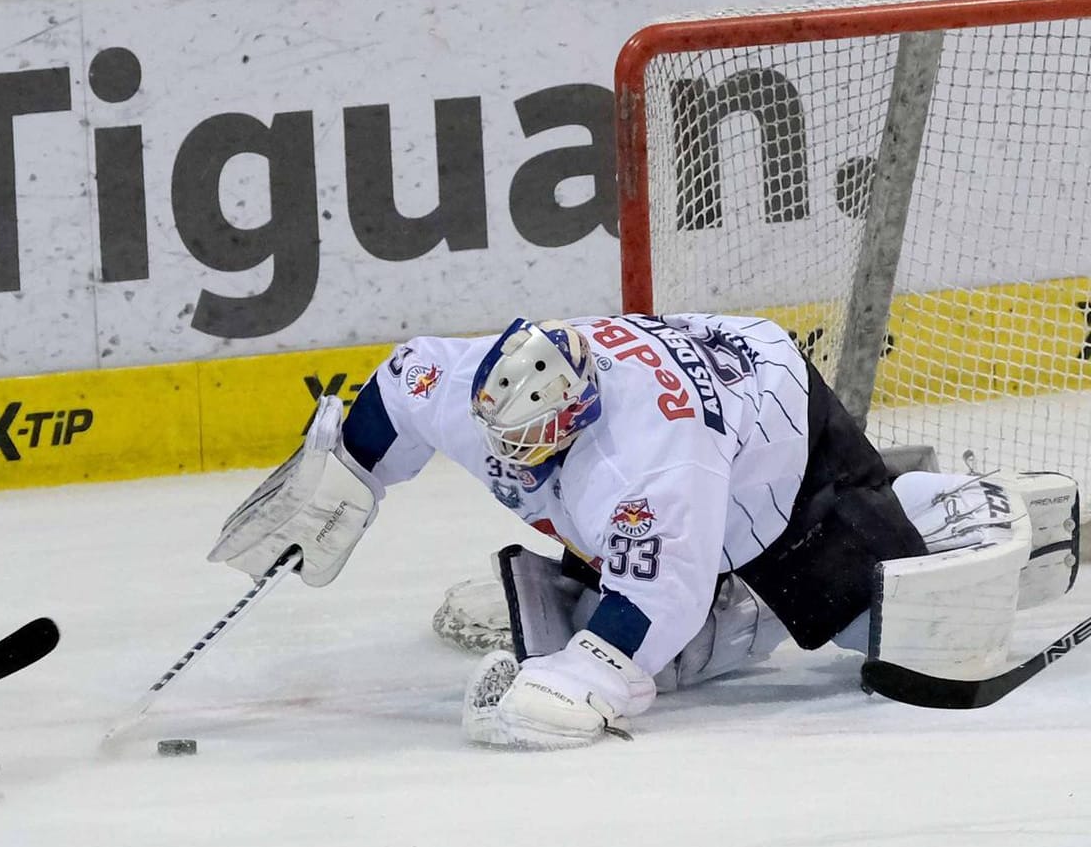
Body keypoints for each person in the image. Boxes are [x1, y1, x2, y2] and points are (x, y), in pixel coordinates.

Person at [210, 313, 1079, 748]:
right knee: (653, 581)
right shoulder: (469, 383)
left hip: (771, 437)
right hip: (703, 411)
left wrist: (586, 673)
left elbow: (654, 596)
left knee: (862, 621)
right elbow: (397, 386)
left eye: (538, 452)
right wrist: (345, 473)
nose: (517, 466)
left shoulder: (647, 465)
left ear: (580, 419)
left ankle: (965, 511)